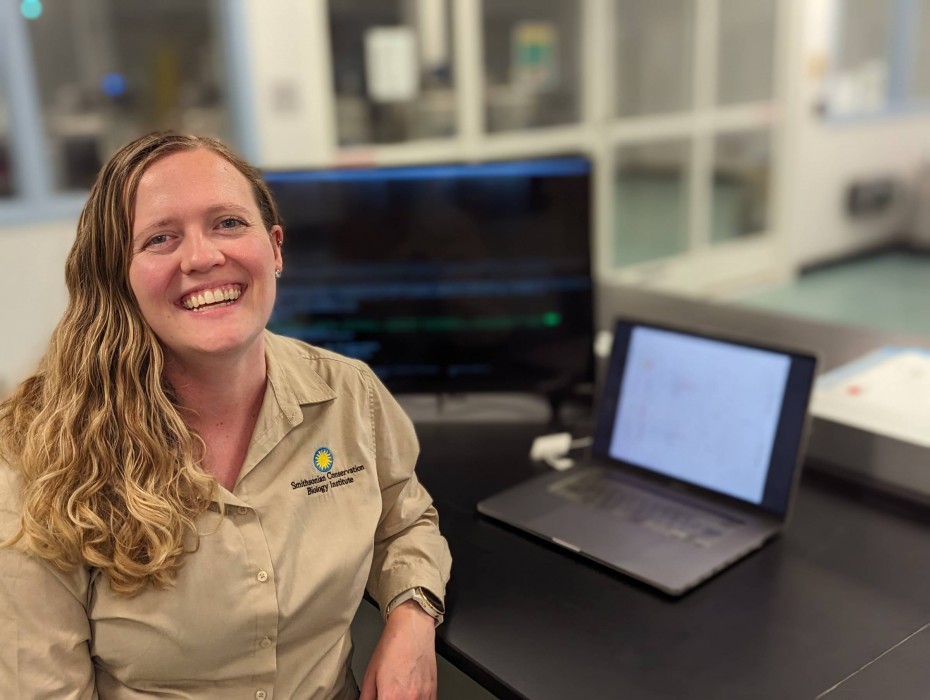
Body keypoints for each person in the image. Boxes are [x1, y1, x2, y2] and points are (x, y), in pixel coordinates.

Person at [0, 132, 452, 699]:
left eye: (228, 223)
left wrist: (413, 615)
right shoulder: (37, 453)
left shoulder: (349, 394)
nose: (203, 256)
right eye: (161, 238)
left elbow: (405, 518)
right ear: (120, 277)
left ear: (276, 248)